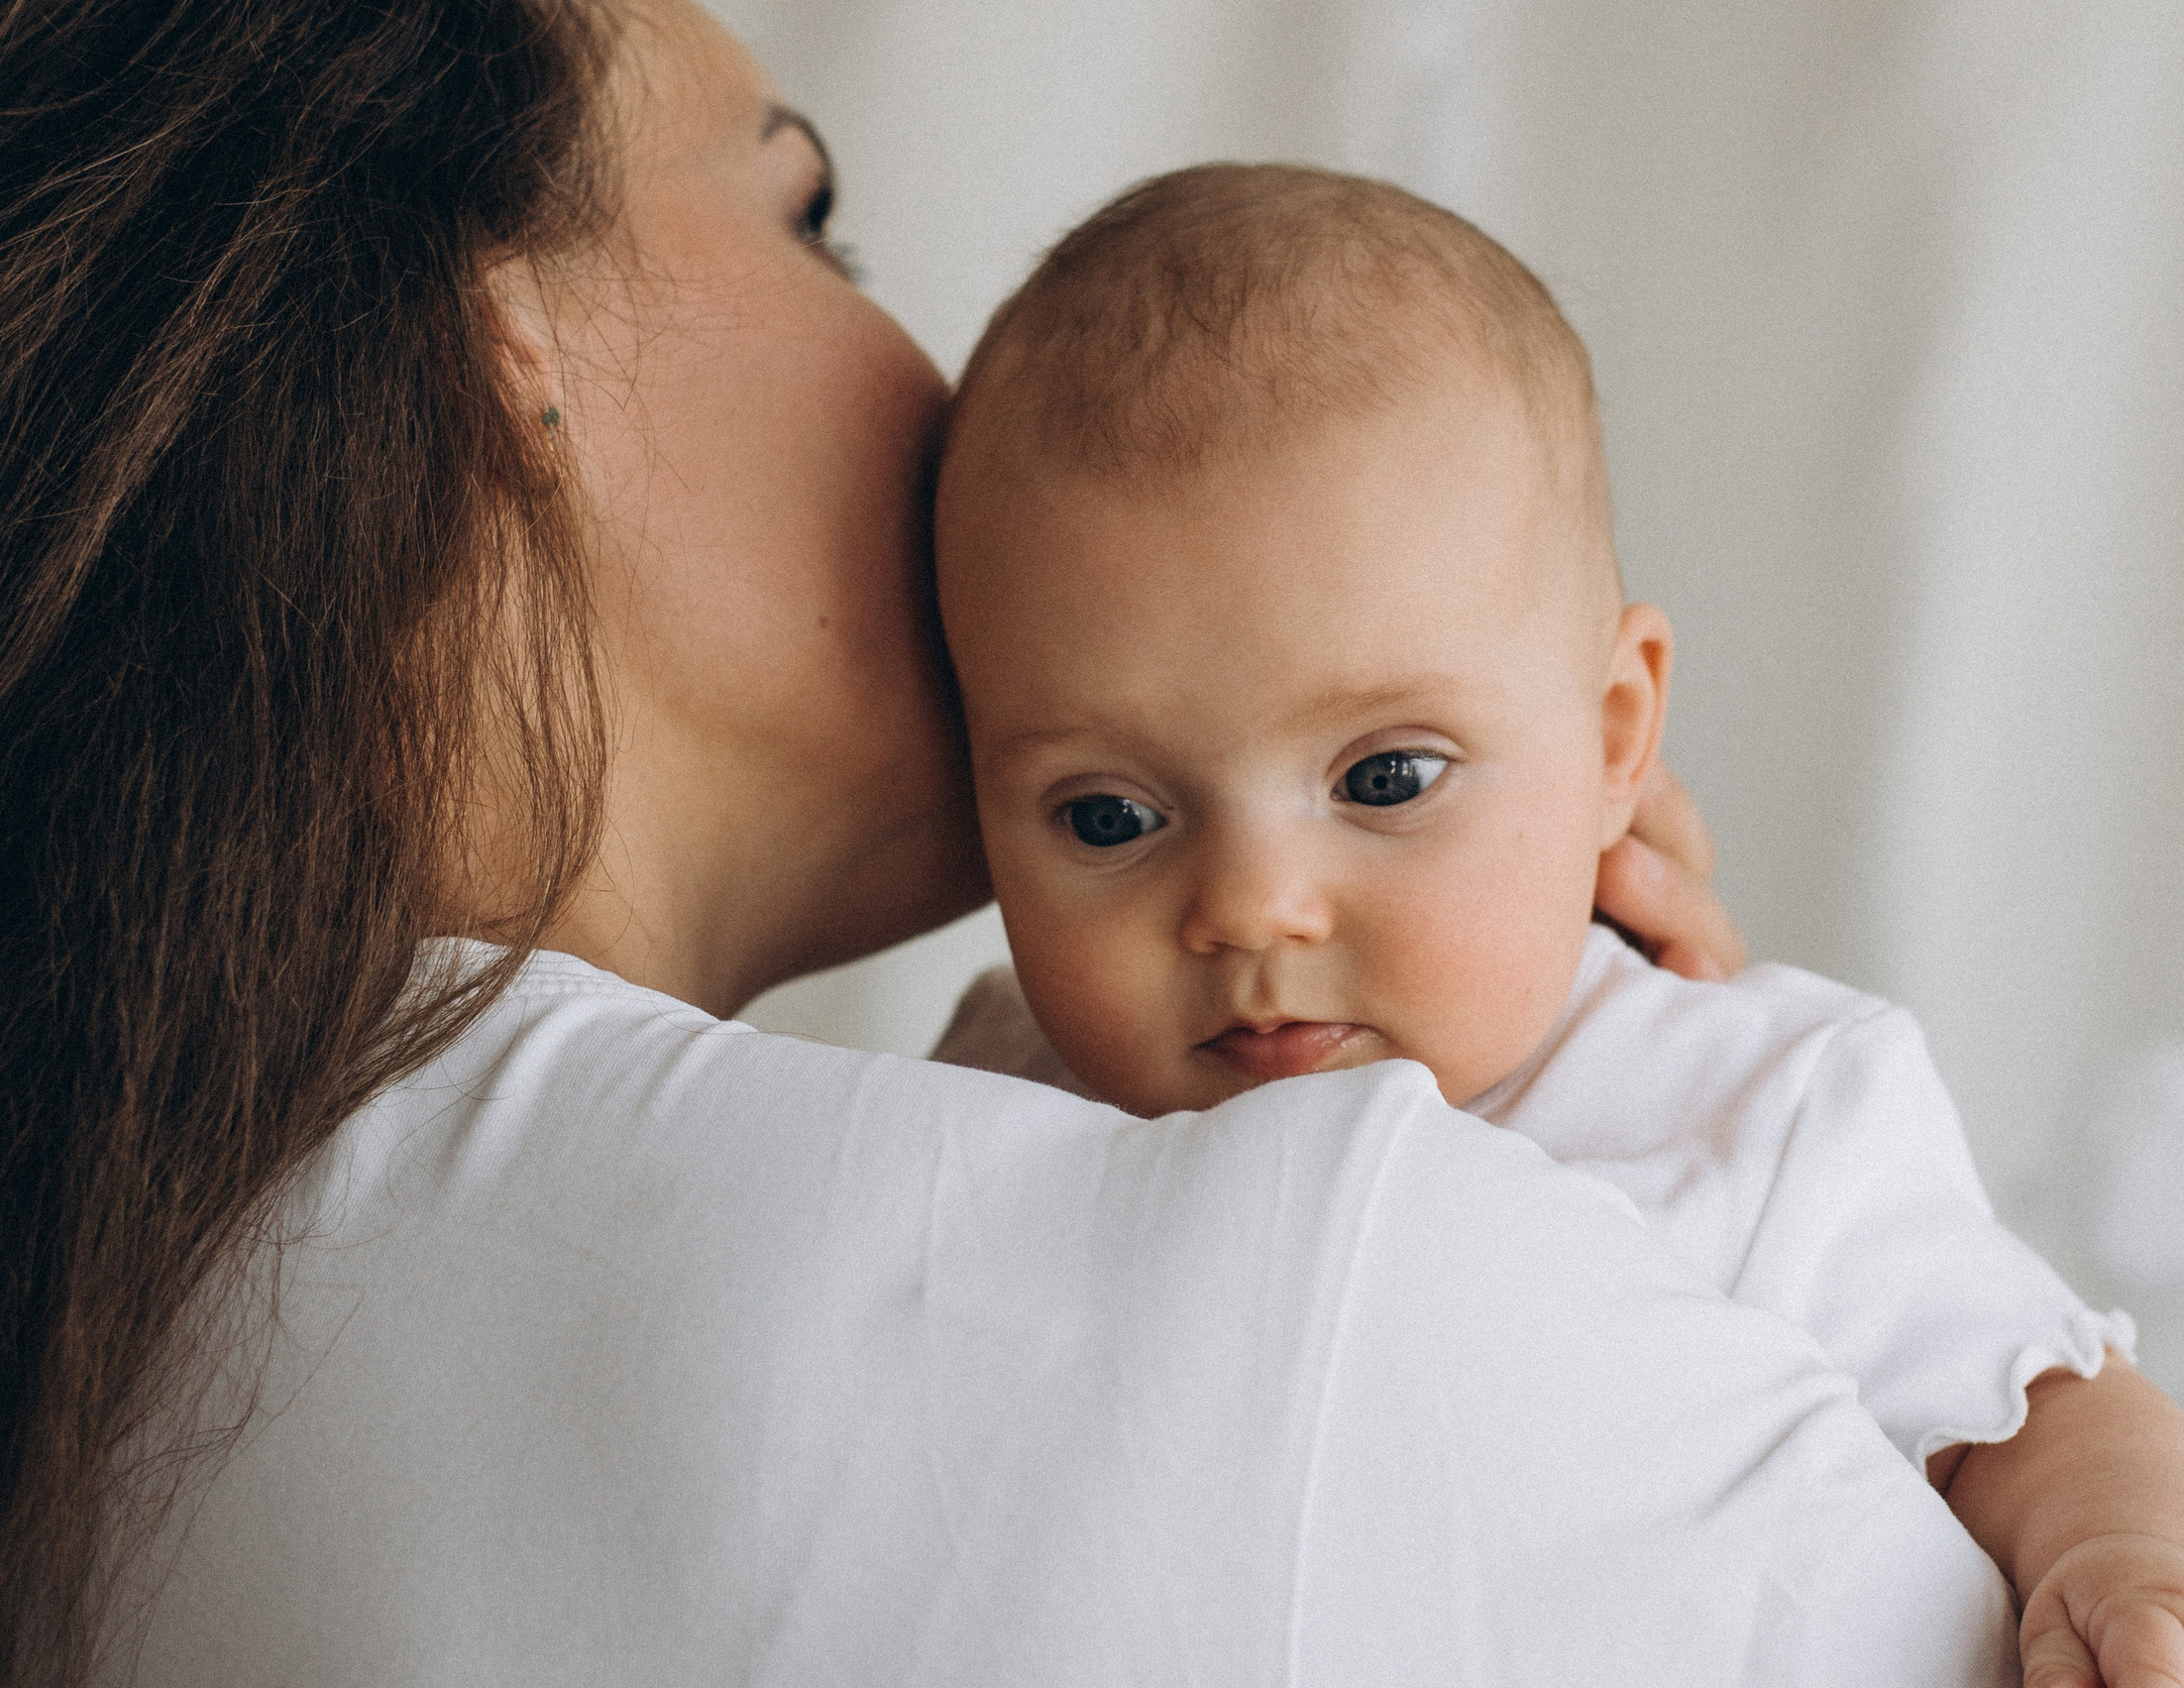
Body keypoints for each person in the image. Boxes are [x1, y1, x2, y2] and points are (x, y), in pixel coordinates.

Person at [0, 2, 2027, 1685]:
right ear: (502, 356)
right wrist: (1671, 1233)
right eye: (818, 228)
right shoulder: (1335, 1272)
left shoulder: (121, 1313)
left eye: (1386, 776)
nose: (942, 393)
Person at [926, 165, 2184, 1688]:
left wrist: (2132, 1560)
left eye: (1384, 777)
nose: (1251, 906)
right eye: (1108, 816)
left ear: (1616, 735)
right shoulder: (993, 1096)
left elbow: (2033, 1406)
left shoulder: (1757, 1109)